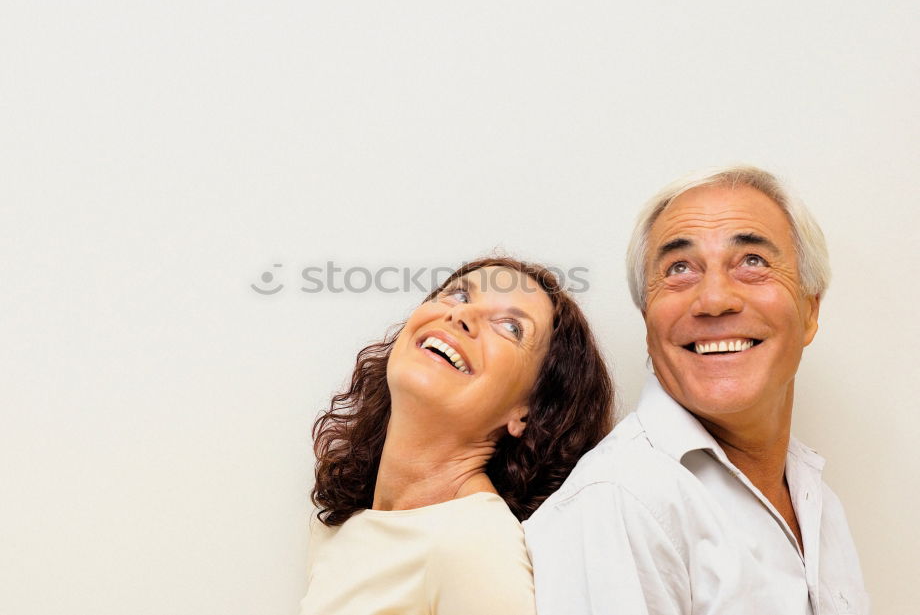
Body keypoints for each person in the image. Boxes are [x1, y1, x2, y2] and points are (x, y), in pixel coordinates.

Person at [525, 166, 869, 614]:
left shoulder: (815, 497)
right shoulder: (619, 503)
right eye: (679, 268)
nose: (714, 300)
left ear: (809, 311)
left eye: (752, 262)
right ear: (648, 319)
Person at [299, 256, 614, 615]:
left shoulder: (475, 545)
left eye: (511, 327)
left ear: (528, 411)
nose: (461, 316)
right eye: (460, 296)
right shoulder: (341, 530)